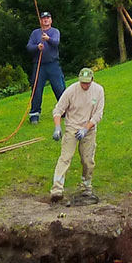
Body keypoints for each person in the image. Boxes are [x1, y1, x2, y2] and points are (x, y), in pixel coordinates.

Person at [50, 67, 105, 203]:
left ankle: (86, 185)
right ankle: (57, 189)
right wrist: (57, 127)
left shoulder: (98, 91)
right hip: (72, 127)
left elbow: (98, 114)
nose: (84, 85)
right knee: (65, 158)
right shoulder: (71, 91)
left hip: (89, 129)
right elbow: (58, 110)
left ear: (92, 80)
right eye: (82, 83)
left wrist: (86, 129)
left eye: (87, 83)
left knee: (87, 160)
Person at [26, 12, 64, 124]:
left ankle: (65, 110)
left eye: (48, 18)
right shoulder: (35, 33)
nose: (46, 20)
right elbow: (29, 47)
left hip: (53, 64)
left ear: (51, 20)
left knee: (59, 88)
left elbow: (56, 43)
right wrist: (37, 47)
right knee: (36, 89)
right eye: (43, 18)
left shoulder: (55, 32)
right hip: (39, 65)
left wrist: (48, 39)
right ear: (40, 21)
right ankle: (34, 115)